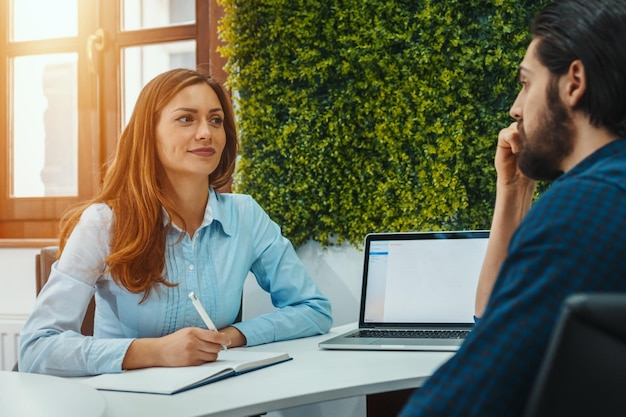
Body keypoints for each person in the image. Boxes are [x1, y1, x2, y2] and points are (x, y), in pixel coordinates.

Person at [18, 68, 332, 376]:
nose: (206, 132)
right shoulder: (104, 223)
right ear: (148, 132)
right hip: (128, 405)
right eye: (186, 118)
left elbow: (313, 310)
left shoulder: (246, 215)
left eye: (216, 120)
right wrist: (155, 351)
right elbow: (37, 347)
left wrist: (232, 336)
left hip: (220, 400)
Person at [399, 0, 626, 416]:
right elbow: (493, 315)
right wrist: (513, 189)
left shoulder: (582, 206)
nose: (516, 109)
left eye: (525, 82)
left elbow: (467, 395)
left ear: (574, 82)